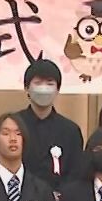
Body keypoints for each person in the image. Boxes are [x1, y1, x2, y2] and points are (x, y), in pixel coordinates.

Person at [15, 58, 83, 192]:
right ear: (26, 88)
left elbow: (75, 172)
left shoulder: (71, 130)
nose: (44, 88)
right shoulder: (14, 125)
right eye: (38, 83)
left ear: (58, 89)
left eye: (50, 83)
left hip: (59, 199)